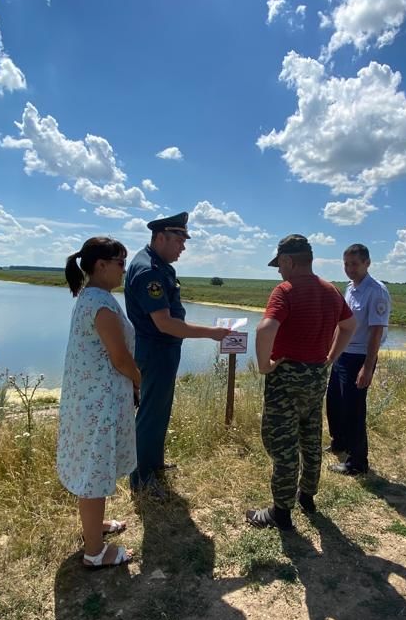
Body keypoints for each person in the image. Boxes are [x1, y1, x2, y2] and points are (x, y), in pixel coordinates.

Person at [246, 234, 357, 530]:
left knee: (282, 446)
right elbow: (349, 326)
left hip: (286, 378)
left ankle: (280, 513)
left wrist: (264, 365)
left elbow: (265, 328)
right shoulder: (331, 291)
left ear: (288, 260)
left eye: (280, 266)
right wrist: (331, 356)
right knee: (310, 437)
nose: (279, 272)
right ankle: (306, 495)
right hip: (317, 376)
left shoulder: (285, 290)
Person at [124, 211, 230, 493]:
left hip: (162, 350)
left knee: (159, 410)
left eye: (184, 241)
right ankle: (142, 478)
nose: (183, 247)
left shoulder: (158, 265)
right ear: (160, 237)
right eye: (178, 240)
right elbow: (165, 323)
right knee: (150, 413)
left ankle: (153, 464)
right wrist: (211, 333)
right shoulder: (149, 271)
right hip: (155, 350)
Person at [57, 237, 140, 568]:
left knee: (96, 468)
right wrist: (139, 379)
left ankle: (96, 527)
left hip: (89, 401)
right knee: (94, 473)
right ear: (100, 265)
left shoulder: (91, 297)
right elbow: (119, 358)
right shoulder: (101, 305)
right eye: (120, 263)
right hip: (99, 404)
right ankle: (94, 552)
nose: (124, 269)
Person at [326, 243, 392, 476]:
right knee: (334, 402)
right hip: (343, 354)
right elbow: (342, 325)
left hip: (360, 357)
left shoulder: (377, 291)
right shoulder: (349, 289)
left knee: (353, 408)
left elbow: (376, 331)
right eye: (346, 264)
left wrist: (367, 367)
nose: (350, 269)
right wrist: (331, 354)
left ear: (367, 263)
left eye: (354, 264)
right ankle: (339, 443)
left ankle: (357, 461)